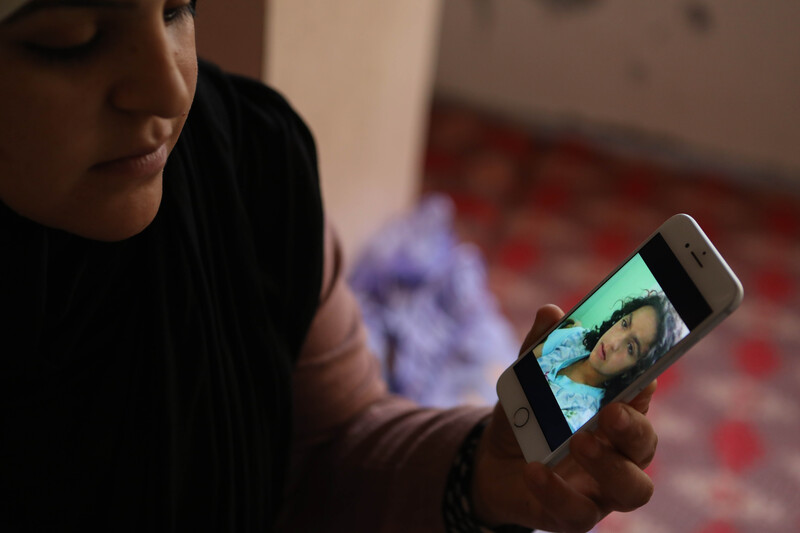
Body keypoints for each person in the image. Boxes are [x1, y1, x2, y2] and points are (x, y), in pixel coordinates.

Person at [0, 1, 659, 531]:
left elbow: (330, 444)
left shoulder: (251, 163)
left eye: (176, 9)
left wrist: (479, 473)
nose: (168, 89)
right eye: (71, 40)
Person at [533, 292, 682, 432]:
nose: (613, 343)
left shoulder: (584, 417)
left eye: (630, 347)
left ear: (636, 369)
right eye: (624, 324)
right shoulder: (576, 337)